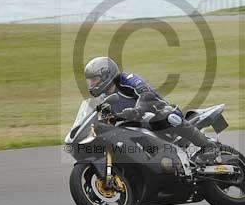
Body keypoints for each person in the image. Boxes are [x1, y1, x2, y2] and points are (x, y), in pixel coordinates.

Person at [83, 56, 220, 164]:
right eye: (90, 81)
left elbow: (145, 93)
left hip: (155, 113)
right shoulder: (102, 100)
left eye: (94, 80)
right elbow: (101, 119)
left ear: (106, 75)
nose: (92, 84)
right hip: (137, 126)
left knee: (168, 116)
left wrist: (137, 110)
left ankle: (208, 146)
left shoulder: (126, 79)